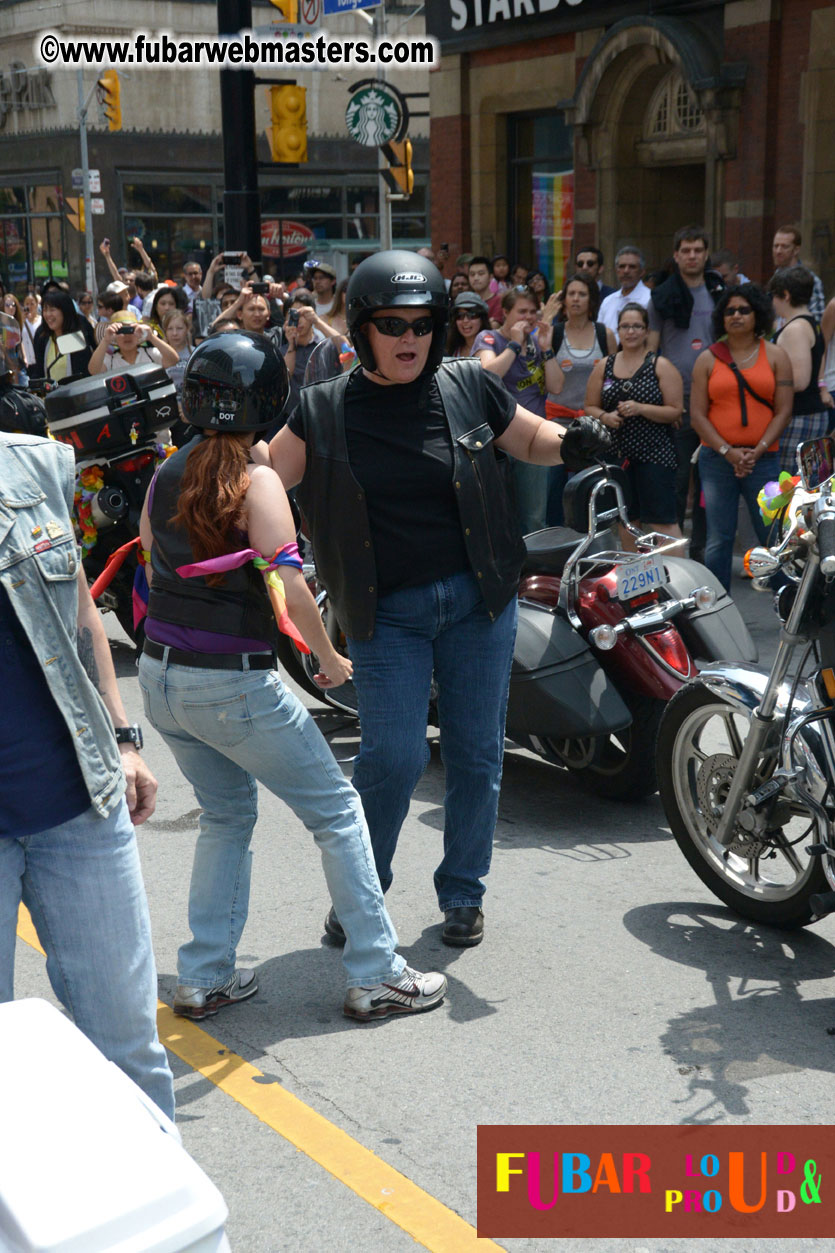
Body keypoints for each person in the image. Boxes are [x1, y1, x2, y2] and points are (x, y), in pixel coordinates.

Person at [264, 251, 608, 947]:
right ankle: (362, 894)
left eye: (423, 324)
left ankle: (463, 892)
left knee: (476, 753)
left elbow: (528, 436)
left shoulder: (466, 385)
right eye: (392, 324)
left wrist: (573, 440)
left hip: (478, 602)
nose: (409, 338)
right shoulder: (322, 408)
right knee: (391, 759)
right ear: (363, 330)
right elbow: (264, 473)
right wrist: (210, 454)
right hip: (385, 613)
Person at [138, 331, 446, 1021]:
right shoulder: (257, 481)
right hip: (232, 681)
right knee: (337, 813)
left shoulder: (166, 473)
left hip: (162, 678)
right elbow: (291, 583)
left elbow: (153, 560)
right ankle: (377, 972)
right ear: (270, 401)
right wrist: (328, 660)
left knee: (226, 815)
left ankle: (206, 975)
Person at [0, 431, 175, 1120]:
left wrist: (124, 740)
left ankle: (157, 1194)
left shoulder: (31, 464)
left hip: (78, 800)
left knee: (129, 1050)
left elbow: (81, 617)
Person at [689, 284, 793, 590]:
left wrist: (757, 450)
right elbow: (697, 415)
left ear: (757, 314)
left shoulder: (776, 355)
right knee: (718, 538)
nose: (736, 316)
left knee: (772, 536)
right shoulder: (707, 359)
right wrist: (727, 451)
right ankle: (718, 605)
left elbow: (784, 411)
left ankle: (788, 602)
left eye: (744, 310)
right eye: (730, 311)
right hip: (716, 460)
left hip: (763, 459)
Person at [647, 225, 726, 563]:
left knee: (711, 484)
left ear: (706, 254)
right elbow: (651, 349)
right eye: (686, 250)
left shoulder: (721, 292)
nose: (692, 256)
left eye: (698, 250)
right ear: (676, 255)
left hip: (716, 402)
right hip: (676, 404)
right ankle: (675, 554)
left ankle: (703, 551)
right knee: (677, 481)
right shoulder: (661, 297)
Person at [585, 302, 684, 550]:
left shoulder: (660, 365)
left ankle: (676, 571)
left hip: (655, 454)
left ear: (646, 331)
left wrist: (641, 408)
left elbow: (675, 410)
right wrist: (605, 417)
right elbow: (590, 406)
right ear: (618, 329)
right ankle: (635, 571)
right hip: (618, 456)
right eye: (625, 326)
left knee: (663, 521)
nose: (631, 331)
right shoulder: (605, 365)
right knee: (627, 521)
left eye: (637, 326)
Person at [474, 284, 564, 533]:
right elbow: (487, 375)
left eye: (533, 312)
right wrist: (514, 345)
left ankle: (533, 559)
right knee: (499, 517)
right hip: (500, 439)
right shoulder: (489, 338)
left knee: (534, 520)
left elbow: (556, 386)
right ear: (505, 312)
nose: (529, 317)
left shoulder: (536, 342)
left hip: (534, 437)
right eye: (522, 312)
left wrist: (546, 349)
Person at [545, 272, 616, 524]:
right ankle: (555, 540)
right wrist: (545, 319)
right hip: (557, 422)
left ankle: (594, 539)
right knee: (553, 492)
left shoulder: (604, 334)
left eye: (582, 294)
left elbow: (613, 375)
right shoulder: (553, 333)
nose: (576, 299)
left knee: (591, 491)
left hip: (593, 424)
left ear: (592, 300)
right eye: (571, 294)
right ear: (564, 300)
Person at [769, 267, 833, 472]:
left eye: (773, 296)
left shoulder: (795, 329)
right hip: (809, 413)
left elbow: (799, 380)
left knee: (790, 481)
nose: (772, 302)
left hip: (800, 415)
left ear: (785, 295)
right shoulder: (810, 323)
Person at [31, 289, 95, 382]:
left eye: (52, 310)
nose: (48, 314)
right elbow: (39, 370)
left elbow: (83, 372)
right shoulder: (42, 336)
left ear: (65, 311)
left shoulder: (76, 338)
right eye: (45, 310)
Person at [88, 311, 179, 375]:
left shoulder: (151, 354)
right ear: (115, 336)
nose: (127, 336)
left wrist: (151, 337)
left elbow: (173, 360)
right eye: (122, 331)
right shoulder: (110, 360)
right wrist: (106, 340)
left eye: (130, 330)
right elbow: (93, 371)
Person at [772, 225, 825, 320]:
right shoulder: (775, 276)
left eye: (785, 246)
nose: (778, 251)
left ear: (796, 250)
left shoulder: (810, 280)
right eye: (776, 246)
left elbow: (816, 319)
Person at [598, 247, 652, 332]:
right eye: (622, 266)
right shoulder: (608, 302)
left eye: (632, 267)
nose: (626, 271)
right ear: (616, 270)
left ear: (642, 272)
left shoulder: (650, 300)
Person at [445, 291, 490, 357]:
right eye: (460, 316)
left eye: (471, 315)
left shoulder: (493, 347)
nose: (465, 320)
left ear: (482, 319)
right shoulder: (450, 349)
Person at [21, 293, 41, 368]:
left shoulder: (41, 321)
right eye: (27, 304)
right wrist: (22, 320)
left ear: (37, 304)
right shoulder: (21, 322)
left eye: (32, 304)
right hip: (27, 363)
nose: (29, 307)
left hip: (39, 361)